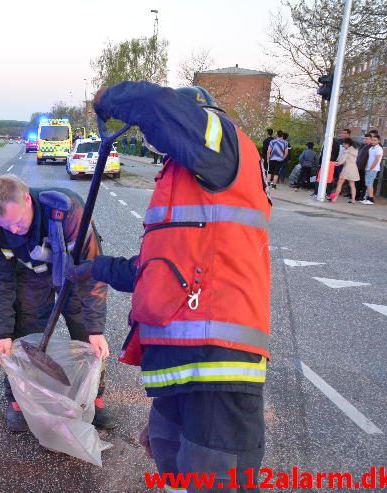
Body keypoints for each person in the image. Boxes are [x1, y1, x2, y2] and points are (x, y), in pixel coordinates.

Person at [76, 82, 270, 491]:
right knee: (173, 468)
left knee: (215, 480)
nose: (154, 139)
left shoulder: (222, 145)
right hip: (184, 365)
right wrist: (92, 268)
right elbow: (157, 271)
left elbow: (156, 105)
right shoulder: (186, 178)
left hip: (218, 362)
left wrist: (110, 98)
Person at [0, 174, 115, 433]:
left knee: (87, 332)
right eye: (6, 226)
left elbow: (93, 272)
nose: (14, 231)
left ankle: (93, 395)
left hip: (75, 272)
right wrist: (4, 333)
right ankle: (20, 398)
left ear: (28, 200)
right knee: (25, 331)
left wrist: (96, 329)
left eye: (18, 223)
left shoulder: (70, 212)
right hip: (31, 275)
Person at [331, 138, 359, 203]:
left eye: (344, 144)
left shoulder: (347, 152)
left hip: (347, 168)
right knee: (352, 185)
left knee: (339, 183)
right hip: (354, 168)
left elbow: (341, 162)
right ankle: (353, 200)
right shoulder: (355, 150)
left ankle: (335, 198)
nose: (343, 145)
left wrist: (334, 163)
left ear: (347, 144)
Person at [362, 133, 383, 205]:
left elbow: (377, 159)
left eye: (375, 140)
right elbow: (369, 159)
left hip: (373, 169)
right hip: (368, 168)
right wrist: (367, 167)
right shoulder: (371, 148)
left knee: (370, 183)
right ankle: (367, 198)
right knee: (367, 183)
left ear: (378, 141)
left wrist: (372, 168)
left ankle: (371, 199)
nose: (373, 141)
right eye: (373, 140)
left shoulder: (379, 148)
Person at [355, 133, 372, 201]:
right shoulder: (362, 146)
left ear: (370, 139)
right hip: (359, 167)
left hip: (365, 168)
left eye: (367, 139)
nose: (365, 140)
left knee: (364, 183)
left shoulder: (371, 148)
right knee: (358, 182)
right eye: (364, 138)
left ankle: (362, 196)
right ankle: (357, 195)